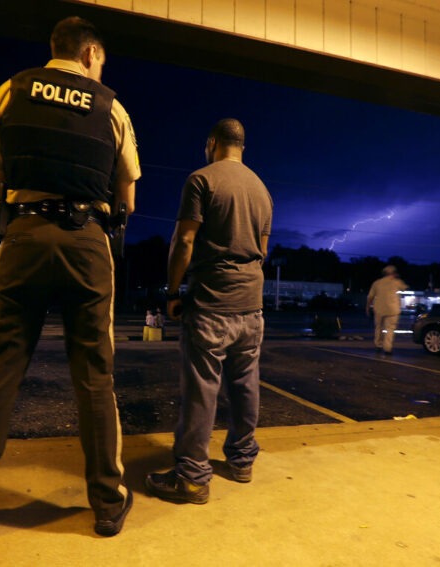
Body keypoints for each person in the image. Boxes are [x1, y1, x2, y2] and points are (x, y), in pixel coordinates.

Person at [0, 16, 140, 546]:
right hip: (87, 245)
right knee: (95, 376)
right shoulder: (111, 107)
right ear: (91, 53)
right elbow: (128, 200)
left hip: (24, 238)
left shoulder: (10, 92)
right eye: (104, 59)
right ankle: (105, 502)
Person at [145, 119, 273, 504]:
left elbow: (185, 239)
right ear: (242, 147)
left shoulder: (201, 180)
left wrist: (172, 291)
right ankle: (242, 460)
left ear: (212, 143)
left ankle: (193, 477)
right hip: (252, 305)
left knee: (202, 389)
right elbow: (263, 251)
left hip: (211, 303)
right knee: (246, 384)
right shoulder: (263, 191)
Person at [366, 265, 408, 355]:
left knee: (378, 327)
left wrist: (367, 308)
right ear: (393, 273)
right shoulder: (397, 282)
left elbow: (370, 297)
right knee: (390, 329)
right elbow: (405, 289)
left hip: (379, 309)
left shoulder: (377, 283)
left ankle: (378, 345)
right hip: (393, 310)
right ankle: (388, 348)